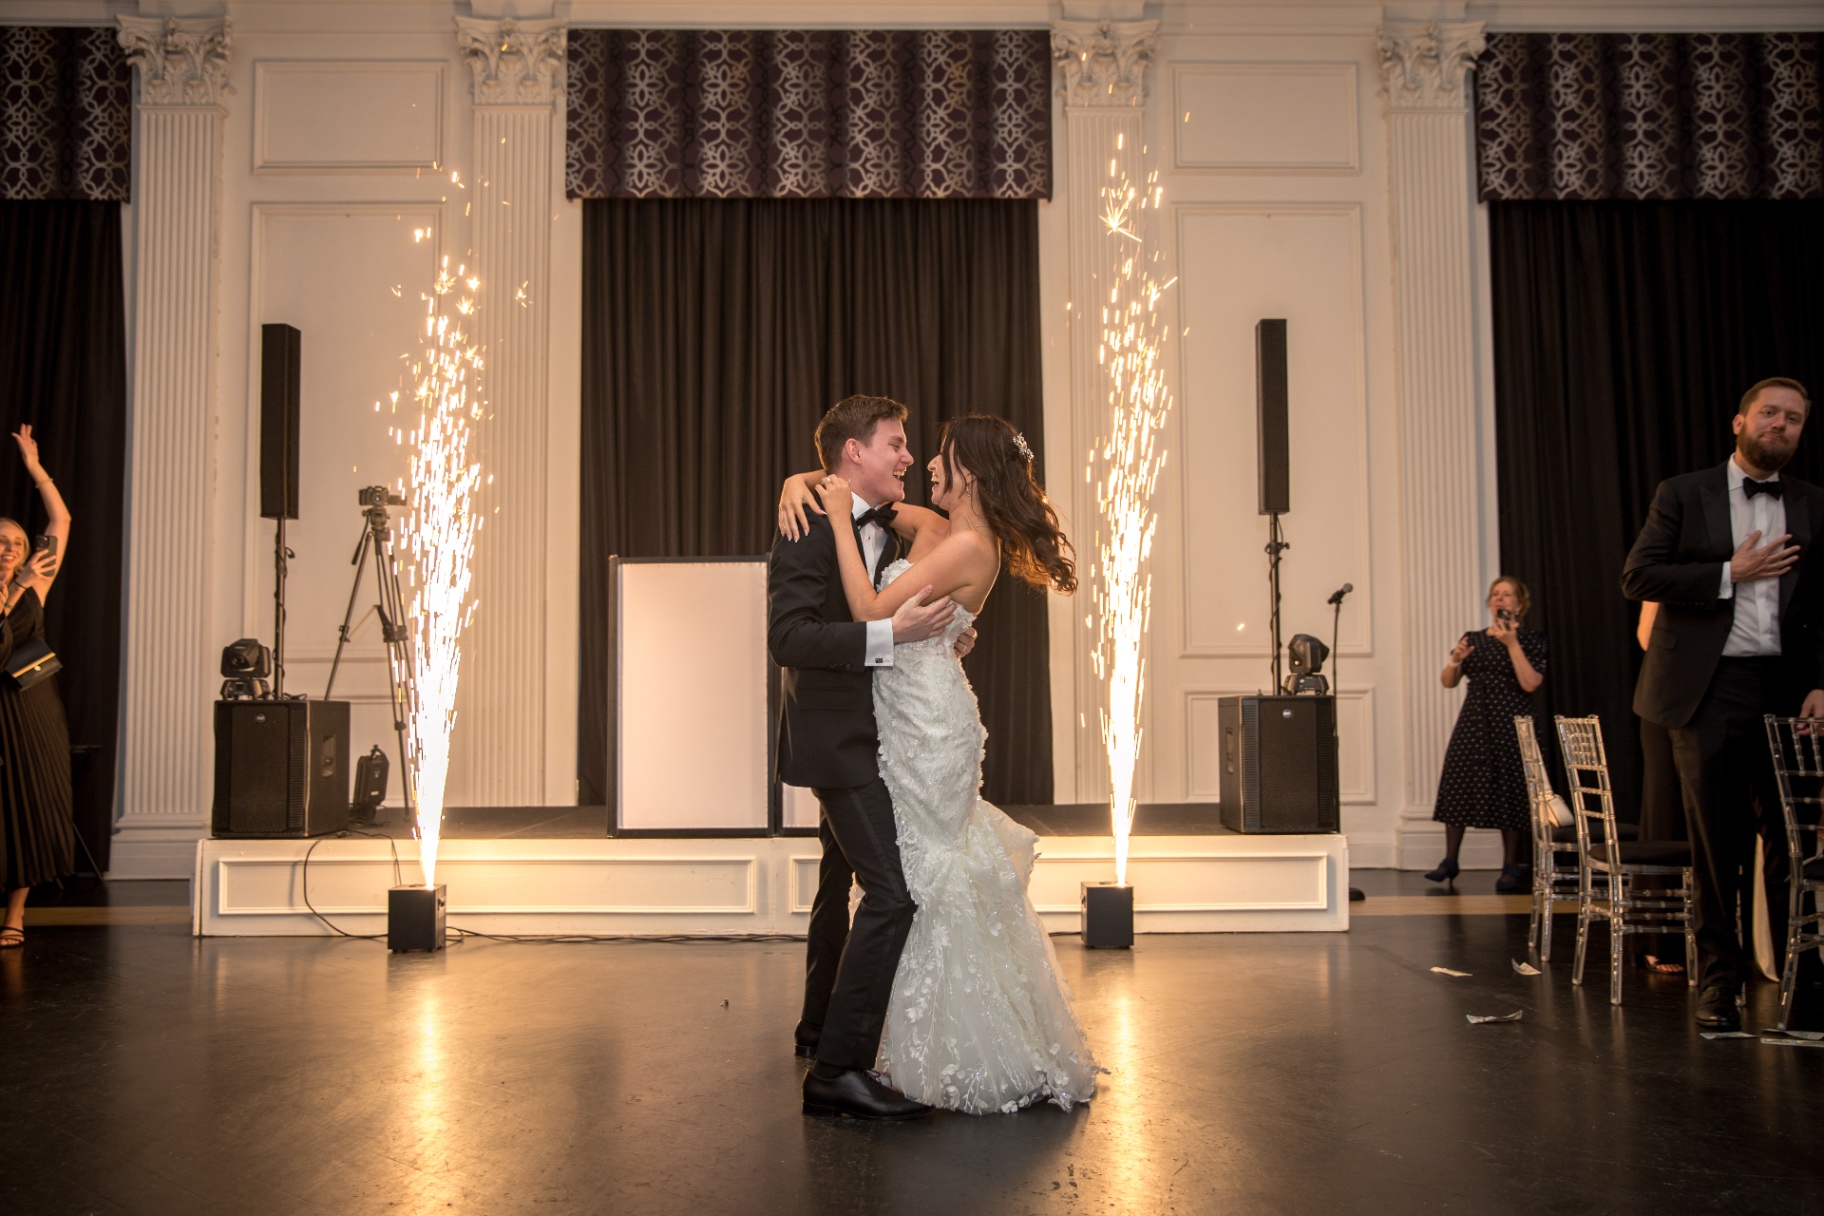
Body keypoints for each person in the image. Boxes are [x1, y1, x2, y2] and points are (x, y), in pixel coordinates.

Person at [780, 414, 1100, 1115]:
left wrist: (835, 518)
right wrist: (802, 480)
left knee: (914, 879)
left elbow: (867, 607)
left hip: (927, 728)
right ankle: (829, 1038)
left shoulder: (966, 546)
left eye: (942, 457)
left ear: (973, 474)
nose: (923, 461)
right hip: (895, 719)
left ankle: (880, 1052)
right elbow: (872, 505)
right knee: (879, 877)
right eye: (904, 446)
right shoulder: (937, 529)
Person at [768, 395, 962, 1121]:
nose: (907, 456)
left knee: (836, 880)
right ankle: (837, 1072)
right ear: (855, 454)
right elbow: (788, 638)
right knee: (892, 892)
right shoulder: (805, 523)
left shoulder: (887, 522)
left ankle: (819, 1027)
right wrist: (892, 641)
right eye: (895, 444)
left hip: (877, 735)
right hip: (837, 744)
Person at [1622, 377, 1824, 1031]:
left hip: (1787, 692)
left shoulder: (1814, 503)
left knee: (1791, 846)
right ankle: (1718, 985)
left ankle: (1802, 985)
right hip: (1707, 691)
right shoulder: (1685, 493)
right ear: (1739, 423)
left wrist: (1822, 681)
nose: (1781, 425)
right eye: (1770, 413)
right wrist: (1726, 574)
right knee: (1717, 844)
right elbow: (1639, 576)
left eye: (1793, 419)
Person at [1425, 576, 1548, 893]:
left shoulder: (1531, 639)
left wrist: (1512, 644)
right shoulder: (1474, 638)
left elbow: (1531, 683)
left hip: (1510, 722)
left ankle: (1510, 865)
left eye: (1507, 595)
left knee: (1509, 788)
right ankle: (1450, 861)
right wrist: (1455, 660)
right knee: (1459, 783)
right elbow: (1448, 682)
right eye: (1496, 594)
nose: (1500, 599)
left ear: (1519, 604)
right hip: (1475, 721)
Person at [0, 425, 73, 948]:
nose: (11, 550)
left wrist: (35, 469)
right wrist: (15, 586)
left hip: (31, 710)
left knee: (26, 802)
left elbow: (62, 520)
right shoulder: (21, 586)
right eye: (2, 543)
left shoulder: (36, 581)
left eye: (18, 544)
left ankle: (16, 913)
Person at [1635, 602, 1686, 974]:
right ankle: (1660, 940)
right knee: (1666, 813)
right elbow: (1645, 636)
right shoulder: (1666, 570)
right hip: (1668, 697)